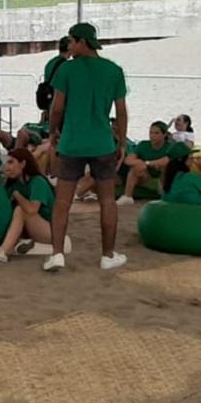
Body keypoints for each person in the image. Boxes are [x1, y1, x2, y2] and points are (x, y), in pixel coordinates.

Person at [46, 22, 128, 272]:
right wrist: (122, 142)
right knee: (107, 201)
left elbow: (57, 108)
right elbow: (121, 111)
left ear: (82, 41)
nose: (69, 45)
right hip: (102, 142)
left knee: (62, 202)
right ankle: (108, 255)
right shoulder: (114, 70)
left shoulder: (67, 70)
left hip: (72, 141)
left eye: (71, 40)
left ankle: (58, 254)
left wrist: (52, 133)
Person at [0, 148, 56, 262]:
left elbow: (32, 210)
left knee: (20, 211)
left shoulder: (38, 181)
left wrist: (17, 195)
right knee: (11, 211)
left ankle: (4, 251)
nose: (7, 166)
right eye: (7, 162)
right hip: (32, 228)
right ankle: (18, 242)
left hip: (50, 230)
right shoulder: (15, 183)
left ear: (22, 164)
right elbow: (2, 204)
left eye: (11, 162)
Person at [117, 121, 172, 205]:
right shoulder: (143, 145)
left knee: (165, 166)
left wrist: (148, 163)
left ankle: (163, 192)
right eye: (151, 132)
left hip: (163, 177)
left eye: (156, 133)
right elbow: (128, 159)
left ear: (164, 135)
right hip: (146, 176)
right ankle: (127, 196)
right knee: (136, 167)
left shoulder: (169, 147)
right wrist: (139, 163)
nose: (152, 136)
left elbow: (167, 159)